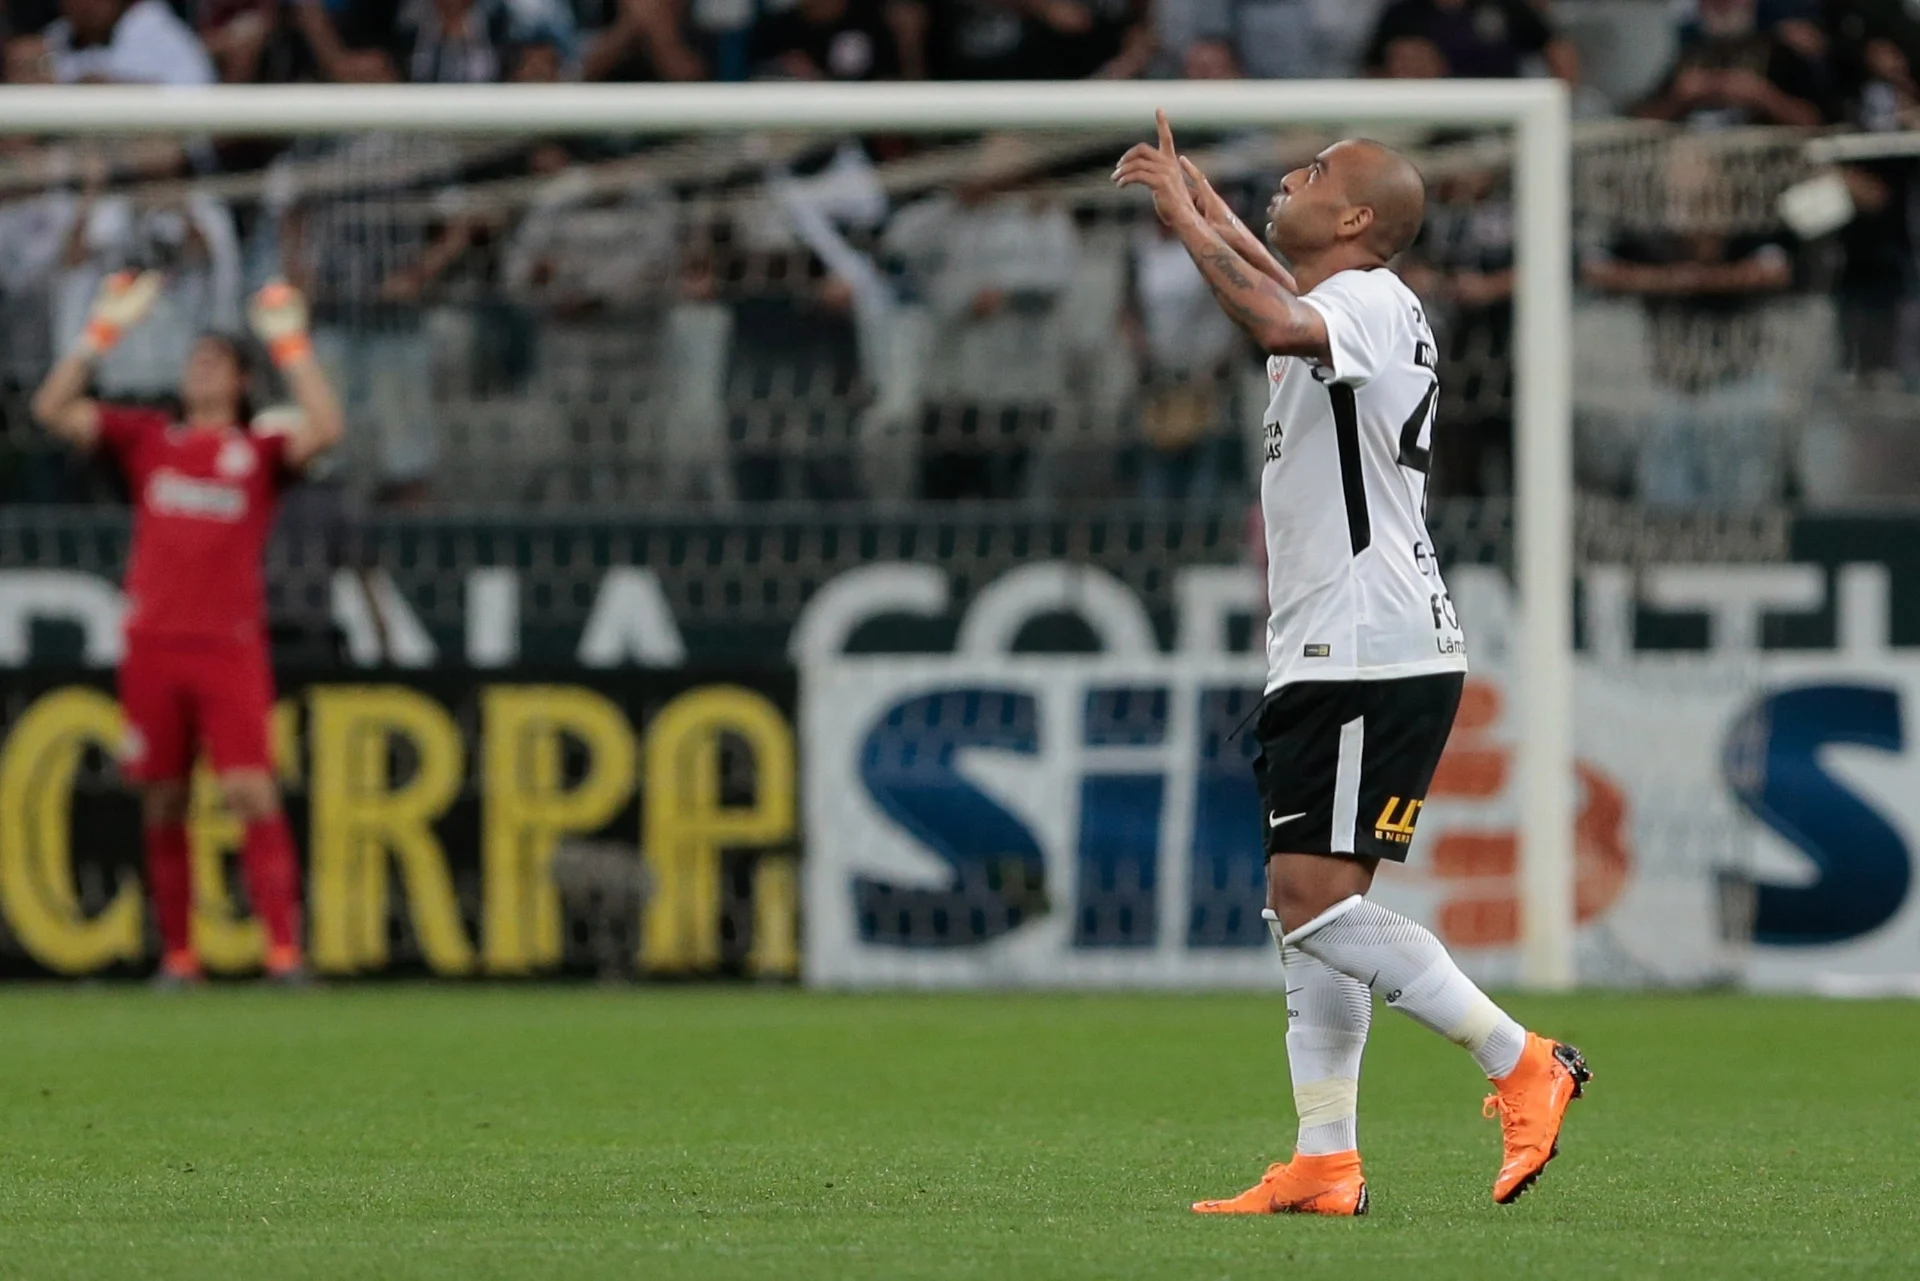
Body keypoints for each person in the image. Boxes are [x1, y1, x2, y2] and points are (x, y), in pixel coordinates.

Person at [1113, 114, 1589, 1215]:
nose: (1289, 176)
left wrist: (1186, 221)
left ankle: (1524, 1060)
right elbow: (1280, 285)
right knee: (1310, 914)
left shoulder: (1365, 301)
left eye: (1314, 173)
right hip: (1346, 643)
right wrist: (1204, 202)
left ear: (1360, 219)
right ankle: (1327, 1160)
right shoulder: (1357, 301)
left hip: (1366, 646)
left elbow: (1276, 317)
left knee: (1312, 903)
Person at [31, 271, 345, 984]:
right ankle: (178, 955)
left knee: (249, 792)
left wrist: (291, 343)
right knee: (163, 796)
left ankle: (284, 954)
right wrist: (99, 332)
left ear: (240, 379)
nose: (199, 367)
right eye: (193, 358)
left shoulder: (258, 453)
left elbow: (326, 428)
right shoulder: (150, 441)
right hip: (154, 644)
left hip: (228, 645)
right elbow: (52, 406)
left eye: (215, 360)